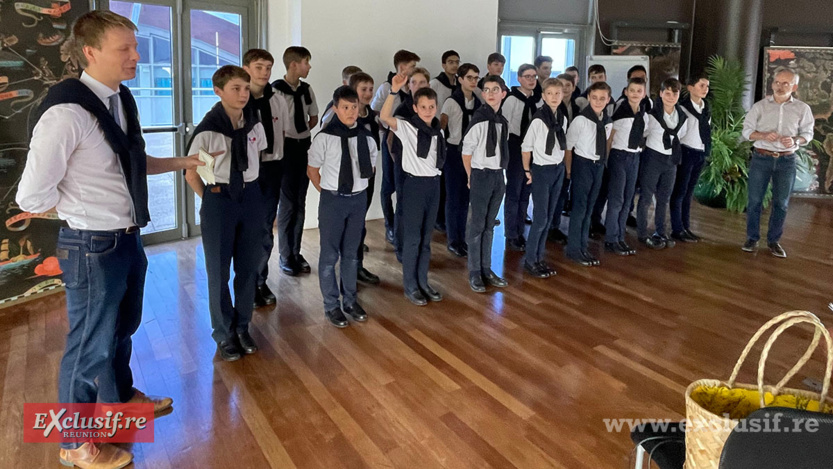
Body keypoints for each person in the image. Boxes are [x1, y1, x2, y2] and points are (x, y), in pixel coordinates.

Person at [17, 10, 198, 467]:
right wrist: (84, 210)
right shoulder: (66, 112)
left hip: (126, 238)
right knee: (87, 345)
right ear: (90, 52)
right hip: (92, 245)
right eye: (126, 49)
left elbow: (129, 162)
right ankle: (74, 443)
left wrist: (183, 163)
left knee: (122, 330)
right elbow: (32, 196)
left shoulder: (121, 100)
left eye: (136, 47)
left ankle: (120, 404)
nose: (137, 56)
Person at [186, 65, 267, 362]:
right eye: (236, 88)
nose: (243, 94)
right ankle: (223, 333)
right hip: (220, 200)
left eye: (246, 88)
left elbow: (259, 159)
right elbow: (191, 173)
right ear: (218, 91)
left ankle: (243, 326)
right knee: (218, 271)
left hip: (251, 197)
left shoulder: (254, 125)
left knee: (248, 267)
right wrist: (213, 199)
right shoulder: (208, 130)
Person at [308, 86, 377, 328]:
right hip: (333, 200)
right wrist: (328, 193)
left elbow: (372, 167)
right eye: (345, 107)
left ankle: (350, 300)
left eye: (354, 107)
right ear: (335, 108)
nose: (350, 112)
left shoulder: (366, 136)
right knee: (329, 256)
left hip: (358, 200)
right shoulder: (325, 137)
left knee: (351, 253)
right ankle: (331, 305)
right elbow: (312, 170)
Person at [381, 77, 445, 306]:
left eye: (432, 107)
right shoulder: (407, 127)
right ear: (415, 108)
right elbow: (384, 117)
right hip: (414, 187)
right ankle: (410, 286)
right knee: (412, 238)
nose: (428, 111)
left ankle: (423, 281)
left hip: (433, 186)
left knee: (426, 239)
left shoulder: (439, 132)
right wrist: (393, 91)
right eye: (423, 107)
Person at [741, 67, 814, 258]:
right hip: (761, 158)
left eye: (785, 83)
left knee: (781, 203)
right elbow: (746, 131)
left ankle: (774, 241)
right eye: (777, 82)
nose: (780, 87)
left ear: (794, 86)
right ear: (772, 83)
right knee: (755, 201)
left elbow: (808, 133)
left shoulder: (802, 109)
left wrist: (796, 140)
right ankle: (751, 238)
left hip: (787, 160)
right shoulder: (760, 106)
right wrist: (764, 135)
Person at [242, 48, 291, 308]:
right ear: (247, 68)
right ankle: (244, 283)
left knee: (264, 229)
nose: (265, 72)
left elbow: (282, 133)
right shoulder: (239, 97)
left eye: (269, 67)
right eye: (259, 67)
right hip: (245, 173)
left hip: (271, 169)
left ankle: (260, 280)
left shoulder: (278, 99)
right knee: (246, 230)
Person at [273, 46, 319, 277]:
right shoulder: (276, 91)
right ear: (293, 65)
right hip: (286, 149)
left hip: (304, 147)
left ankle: (296, 251)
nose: (309, 67)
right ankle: (285, 254)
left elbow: (313, 118)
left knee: (300, 201)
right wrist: (290, 136)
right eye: (306, 62)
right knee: (288, 204)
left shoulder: (307, 90)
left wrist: (301, 133)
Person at [462, 75, 509, 293]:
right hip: (481, 174)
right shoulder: (479, 120)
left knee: (490, 224)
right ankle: (474, 271)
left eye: (495, 89)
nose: (490, 93)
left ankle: (486, 268)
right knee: (477, 225)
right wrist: (471, 176)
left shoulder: (501, 121)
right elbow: (466, 151)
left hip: (498, 175)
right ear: (483, 94)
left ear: (503, 93)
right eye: (487, 90)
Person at [371, 50, 420, 244]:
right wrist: (389, 127)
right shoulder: (386, 87)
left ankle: (402, 224)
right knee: (388, 184)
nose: (414, 70)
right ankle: (389, 225)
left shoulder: (411, 88)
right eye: (412, 66)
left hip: (409, 142)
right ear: (401, 67)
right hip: (390, 138)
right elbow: (375, 111)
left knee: (402, 184)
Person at [521, 78, 567, 278]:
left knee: (548, 217)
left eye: (558, 93)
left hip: (557, 168)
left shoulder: (562, 118)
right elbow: (526, 147)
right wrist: (527, 171)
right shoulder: (539, 120)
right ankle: (531, 260)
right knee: (540, 217)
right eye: (550, 93)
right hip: (541, 170)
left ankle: (540, 257)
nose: (554, 97)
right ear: (544, 96)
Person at [564, 81, 613, 266]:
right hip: (582, 165)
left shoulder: (607, 121)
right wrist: (569, 170)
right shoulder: (581, 120)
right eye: (594, 98)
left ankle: (583, 246)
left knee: (589, 207)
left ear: (608, 100)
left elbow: (606, 143)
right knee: (579, 207)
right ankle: (574, 249)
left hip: (598, 165)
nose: (598, 101)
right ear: (588, 98)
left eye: (602, 98)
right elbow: (568, 147)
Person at [637, 78, 689, 250]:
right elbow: (644, 134)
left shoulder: (682, 116)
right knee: (646, 197)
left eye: (674, 93)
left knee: (664, 199)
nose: (671, 96)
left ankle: (661, 232)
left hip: (671, 160)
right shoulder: (651, 116)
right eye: (667, 92)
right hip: (652, 158)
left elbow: (680, 136)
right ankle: (642, 234)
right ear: (660, 94)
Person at [441, 63, 481, 258]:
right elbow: (442, 127)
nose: (473, 81)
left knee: (466, 198)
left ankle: (462, 238)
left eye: (476, 78)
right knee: (453, 198)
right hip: (454, 153)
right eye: (470, 78)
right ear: (461, 79)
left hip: (472, 154)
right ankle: (452, 239)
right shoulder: (451, 102)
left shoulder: (478, 101)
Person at [605, 77, 649, 256]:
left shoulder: (643, 114)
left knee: (628, 198)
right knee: (616, 200)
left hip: (634, 157)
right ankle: (611, 238)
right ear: (626, 92)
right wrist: (607, 160)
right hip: (619, 156)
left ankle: (620, 236)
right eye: (632, 90)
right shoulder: (619, 112)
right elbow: (610, 138)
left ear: (644, 93)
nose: (635, 94)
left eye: (639, 91)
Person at [502, 63, 541, 251]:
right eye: (527, 76)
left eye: (534, 76)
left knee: (527, 190)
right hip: (515, 145)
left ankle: (520, 229)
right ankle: (511, 233)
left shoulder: (537, 101)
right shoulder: (511, 99)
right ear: (519, 78)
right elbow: (504, 127)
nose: (531, 80)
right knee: (514, 191)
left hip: (533, 147)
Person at [671, 74, 711, 243]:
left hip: (700, 152)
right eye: (701, 85)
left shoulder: (706, 107)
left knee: (689, 192)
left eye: (707, 86)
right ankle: (677, 228)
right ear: (690, 88)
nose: (705, 89)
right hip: (686, 152)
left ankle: (686, 226)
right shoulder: (683, 108)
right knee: (679, 191)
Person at [549, 73, 581, 244]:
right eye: (561, 85)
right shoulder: (553, 108)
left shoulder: (576, 107)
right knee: (555, 191)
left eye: (568, 85)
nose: (565, 88)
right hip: (555, 153)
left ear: (573, 88)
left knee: (563, 191)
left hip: (572, 153)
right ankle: (550, 226)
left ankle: (556, 225)